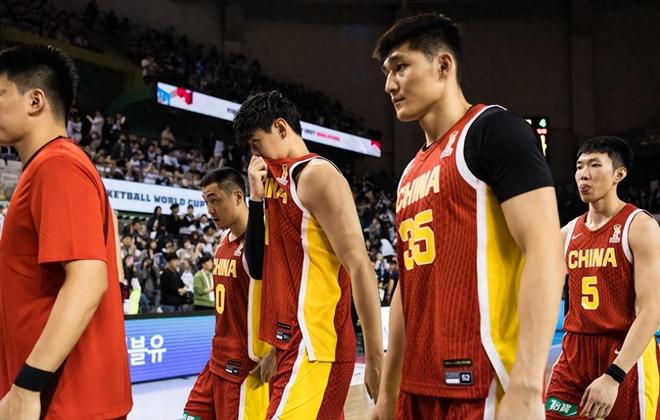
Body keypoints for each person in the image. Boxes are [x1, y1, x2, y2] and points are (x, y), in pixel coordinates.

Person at [370, 13, 565, 419]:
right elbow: (407, 286)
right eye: (387, 72)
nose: (389, 84)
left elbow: (545, 251)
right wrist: (388, 393)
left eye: (401, 67)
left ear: (443, 65)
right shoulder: (410, 173)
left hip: (483, 385)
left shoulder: (495, 131)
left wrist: (527, 384)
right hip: (417, 388)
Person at [0, 45, 132, 418]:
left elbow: (88, 281)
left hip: (63, 401)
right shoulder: (52, 166)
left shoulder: (57, 166)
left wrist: (27, 386)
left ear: (35, 100)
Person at [239, 91, 384, 419]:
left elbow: (360, 265)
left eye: (255, 142)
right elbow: (259, 268)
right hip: (290, 344)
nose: (255, 154)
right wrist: (255, 199)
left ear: (280, 128)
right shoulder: (273, 181)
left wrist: (376, 358)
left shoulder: (316, 175)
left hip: (317, 344)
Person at [546, 136, 660, 419]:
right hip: (574, 354)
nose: (583, 174)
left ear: (619, 174)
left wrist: (614, 375)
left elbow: (652, 311)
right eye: (579, 166)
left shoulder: (640, 227)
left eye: (595, 165)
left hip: (625, 354)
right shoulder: (567, 233)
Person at [184, 168, 274, 420]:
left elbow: (283, 299)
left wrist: (275, 351)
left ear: (237, 196)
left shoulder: (263, 242)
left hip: (244, 368)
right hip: (216, 360)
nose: (209, 209)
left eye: (215, 200)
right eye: (206, 202)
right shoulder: (223, 239)